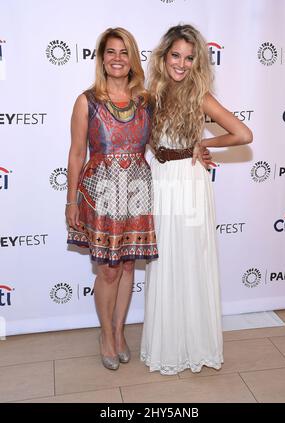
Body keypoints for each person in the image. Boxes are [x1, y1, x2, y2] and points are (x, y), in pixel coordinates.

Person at [141, 24, 253, 375]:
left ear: (198, 62)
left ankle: (194, 344)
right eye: (176, 55)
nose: (182, 63)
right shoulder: (150, 95)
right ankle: (169, 342)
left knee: (189, 258)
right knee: (164, 260)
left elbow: (243, 133)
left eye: (190, 58)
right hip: (159, 180)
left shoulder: (200, 96)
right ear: (163, 57)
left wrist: (205, 144)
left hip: (188, 182)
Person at [65, 27, 160, 370]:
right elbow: (77, 154)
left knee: (128, 265)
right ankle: (105, 334)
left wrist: (198, 148)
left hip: (137, 189)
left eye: (124, 52)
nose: (117, 58)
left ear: (133, 58)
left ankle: (120, 333)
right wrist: (71, 201)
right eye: (110, 52)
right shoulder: (86, 101)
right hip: (100, 193)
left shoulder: (146, 101)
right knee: (108, 270)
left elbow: (165, 142)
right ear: (102, 58)